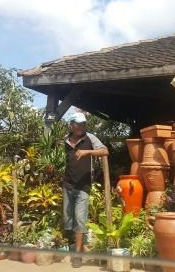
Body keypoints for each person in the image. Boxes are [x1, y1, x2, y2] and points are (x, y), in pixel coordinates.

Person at [63, 112, 108, 268]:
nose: (81, 126)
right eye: (78, 123)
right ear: (72, 124)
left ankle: (78, 254)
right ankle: (80, 245)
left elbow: (105, 151)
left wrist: (87, 152)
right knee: (69, 219)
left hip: (83, 186)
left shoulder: (90, 138)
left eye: (83, 124)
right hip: (68, 185)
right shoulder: (65, 140)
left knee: (80, 218)